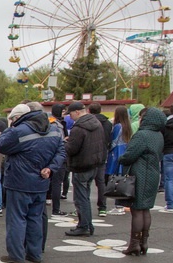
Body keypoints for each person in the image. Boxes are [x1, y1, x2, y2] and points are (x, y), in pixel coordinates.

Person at [0, 103, 66, 263]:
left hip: (19, 181)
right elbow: (61, 151)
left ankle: (16, 255)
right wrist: (50, 168)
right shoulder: (54, 130)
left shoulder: (19, 131)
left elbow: (1, 145)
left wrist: (11, 127)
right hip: (41, 181)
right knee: (35, 218)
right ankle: (35, 253)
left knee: (17, 219)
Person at [118, 108, 165, 255]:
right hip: (152, 173)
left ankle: (134, 244)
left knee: (137, 209)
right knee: (145, 209)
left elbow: (129, 156)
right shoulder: (158, 135)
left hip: (139, 174)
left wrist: (120, 158)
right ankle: (143, 242)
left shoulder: (142, 135)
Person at [64, 101, 107, 236]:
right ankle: (87, 224)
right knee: (85, 196)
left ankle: (84, 226)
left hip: (81, 165)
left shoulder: (79, 128)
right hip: (94, 164)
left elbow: (72, 149)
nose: (70, 117)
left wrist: (65, 142)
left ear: (77, 112)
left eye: (70, 113)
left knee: (80, 198)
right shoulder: (96, 124)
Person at [105, 106, 134, 215]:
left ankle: (118, 205)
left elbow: (113, 141)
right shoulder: (127, 126)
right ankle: (121, 204)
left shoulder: (117, 126)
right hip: (124, 151)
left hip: (116, 153)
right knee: (122, 178)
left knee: (115, 179)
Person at [47, 104, 69, 216]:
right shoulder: (57, 125)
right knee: (57, 183)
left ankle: (48, 199)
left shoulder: (48, 122)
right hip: (58, 157)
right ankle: (56, 209)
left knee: (49, 181)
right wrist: (65, 140)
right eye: (63, 111)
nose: (65, 113)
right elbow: (59, 142)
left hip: (49, 156)